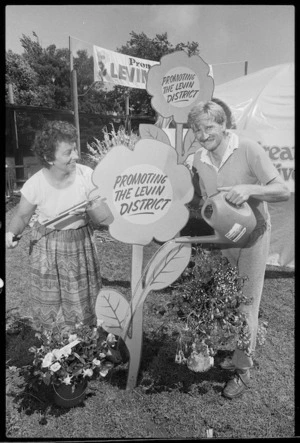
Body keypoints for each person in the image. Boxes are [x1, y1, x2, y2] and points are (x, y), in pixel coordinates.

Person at [187, 101, 290, 399]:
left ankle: (243, 370)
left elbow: (281, 190)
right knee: (226, 301)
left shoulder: (248, 149)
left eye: (209, 127)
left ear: (223, 125)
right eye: (198, 129)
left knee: (247, 305)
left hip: (254, 237)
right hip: (224, 239)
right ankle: (236, 352)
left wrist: (250, 189)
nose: (203, 135)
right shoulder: (199, 158)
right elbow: (207, 201)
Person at [6, 120, 102, 332]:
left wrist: (95, 203)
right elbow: (21, 216)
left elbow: (102, 219)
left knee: (81, 299)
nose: (76, 156)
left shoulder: (86, 176)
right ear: (49, 158)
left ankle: (85, 346)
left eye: (75, 148)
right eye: (68, 152)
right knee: (50, 303)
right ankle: (54, 349)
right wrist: (11, 232)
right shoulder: (36, 183)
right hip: (46, 246)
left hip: (79, 244)